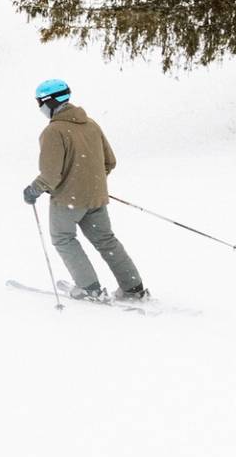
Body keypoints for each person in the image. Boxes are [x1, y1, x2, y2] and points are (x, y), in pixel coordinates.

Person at [23, 79, 147, 302]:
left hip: (68, 201)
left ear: (49, 102)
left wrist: (34, 190)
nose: (40, 108)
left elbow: (51, 175)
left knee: (63, 238)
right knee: (106, 241)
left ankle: (90, 289)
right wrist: (89, 182)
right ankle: (134, 287)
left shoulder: (53, 131)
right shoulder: (90, 124)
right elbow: (110, 162)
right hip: (96, 198)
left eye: (39, 103)